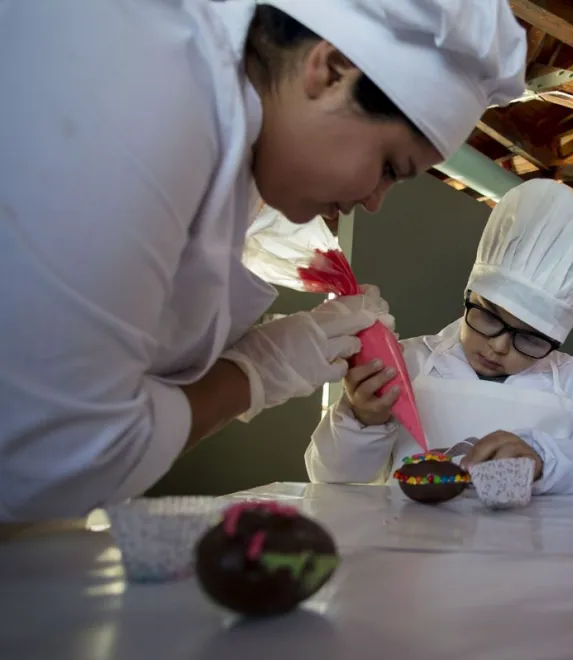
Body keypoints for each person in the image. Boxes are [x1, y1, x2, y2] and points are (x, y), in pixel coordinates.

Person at [0, 0, 527, 521]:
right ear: (329, 70)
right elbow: (57, 460)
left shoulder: (233, 142)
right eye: (389, 166)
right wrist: (257, 371)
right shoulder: (150, 94)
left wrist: (275, 351)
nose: (373, 200)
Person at [306, 180, 573, 494]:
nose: (498, 346)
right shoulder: (410, 362)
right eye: (488, 317)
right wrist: (362, 420)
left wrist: (545, 459)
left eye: (530, 338)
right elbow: (330, 478)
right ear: (469, 296)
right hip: (413, 542)